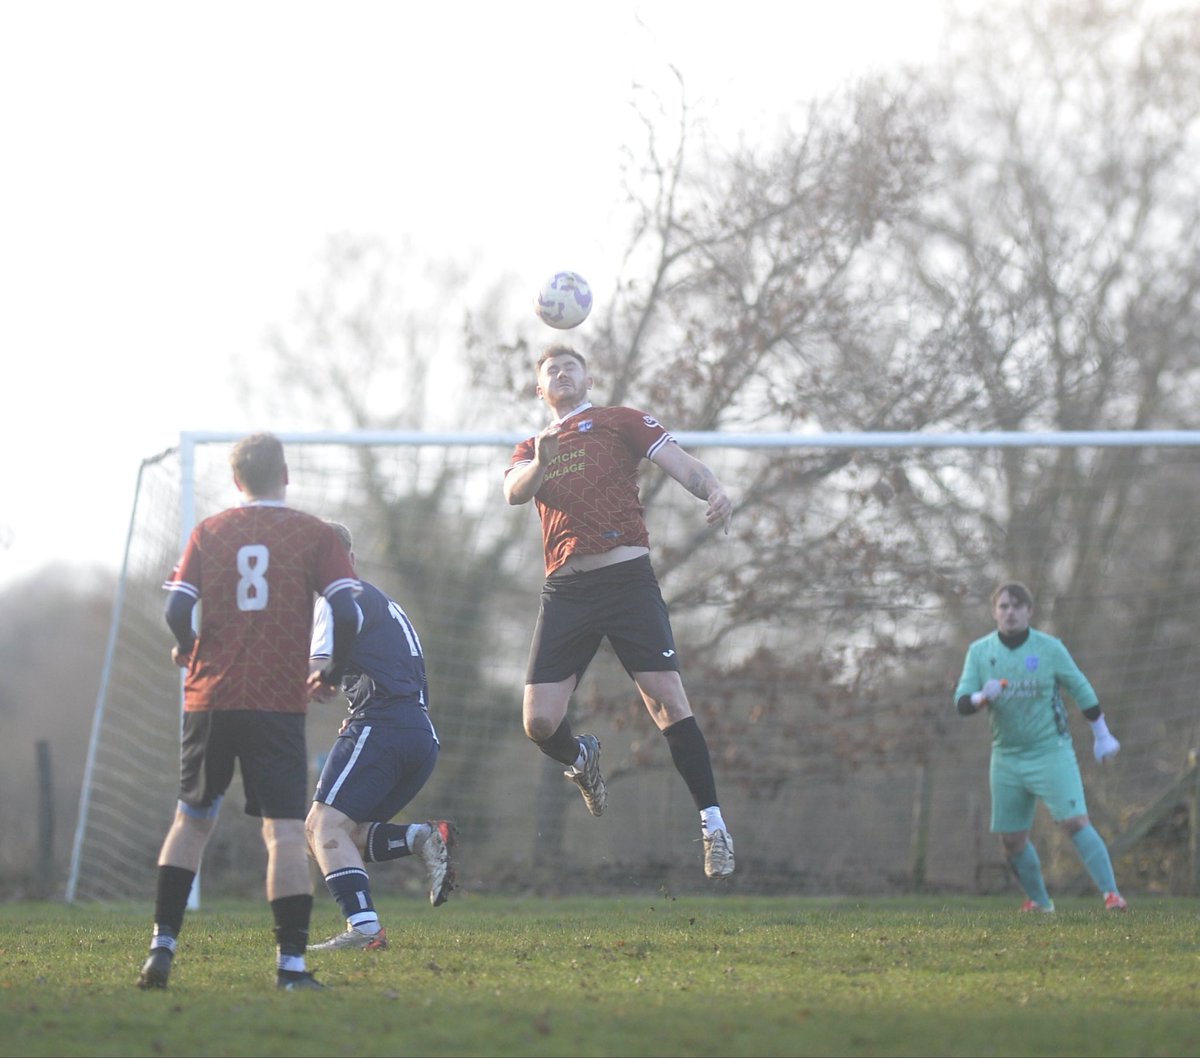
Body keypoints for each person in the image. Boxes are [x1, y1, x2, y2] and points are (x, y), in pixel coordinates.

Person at [136, 432, 362, 992]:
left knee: (190, 821)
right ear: (284, 474)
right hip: (276, 702)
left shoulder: (208, 531)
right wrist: (331, 674)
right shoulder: (312, 533)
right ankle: (289, 968)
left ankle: (161, 950)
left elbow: (176, 607)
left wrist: (188, 646)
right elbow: (347, 613)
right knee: (284, 833)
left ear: (237, 481)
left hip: (209, 698)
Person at [502, 344, 736, 879]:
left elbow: (680, 463)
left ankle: (714, 826)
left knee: (667, 703)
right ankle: (581, 759)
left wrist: (715, 487)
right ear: (540, 390)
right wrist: (542, 457)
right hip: (566, 590)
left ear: (588, 378)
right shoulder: (532, 445)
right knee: (539, 722)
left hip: (627, 582)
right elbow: (515, 493)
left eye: (570, 367)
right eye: (550, 371)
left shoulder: (620, 421)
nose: (561, 374)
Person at [306, 521, 455, 951]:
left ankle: (366, 931)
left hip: (383, 728)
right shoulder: (377, 599)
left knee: (322, 826)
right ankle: (420, 838)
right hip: (417, 735)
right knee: (338, 834)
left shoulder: (336, 599)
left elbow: (317, 675)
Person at [954, 581, 1128, 912]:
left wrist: (1102, 734)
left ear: (1030, 612)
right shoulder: (980, 652)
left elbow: (1081, 688)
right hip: (1006, 757)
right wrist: (980, 698)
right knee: (1012, 840)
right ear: (994, 612)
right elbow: (961, 702)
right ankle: (1040, 902)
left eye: (1017, 606)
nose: (1010, 612)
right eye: (1003, 606)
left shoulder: (1049, 648)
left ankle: (1112, 894)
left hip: (1051, 751)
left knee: (1075, 822)